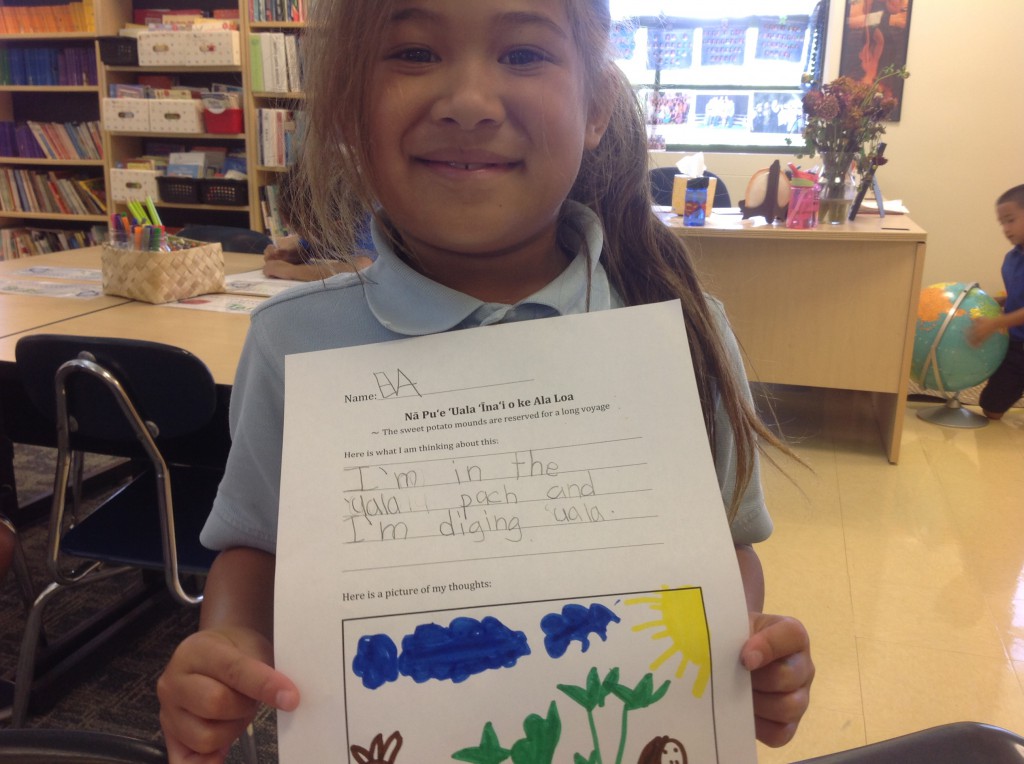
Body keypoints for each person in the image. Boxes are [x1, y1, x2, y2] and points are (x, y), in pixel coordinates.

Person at [156, 2, 814, 761]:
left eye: (524, 54)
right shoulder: (293, 340)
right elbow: (255, 548)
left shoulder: (684, 332)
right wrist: (230, 641)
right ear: (348, 106)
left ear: (596, 106)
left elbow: (729, 549)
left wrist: (741, 649)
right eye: (413, 52)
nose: (467, 103)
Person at [969, 184, 1024, 420]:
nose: (1006, 229)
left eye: (1011, 220)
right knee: (991, 408)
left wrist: (995, 323)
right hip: (1016, 344)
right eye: (1002, 223)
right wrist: (997, 301)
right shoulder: (1012, 258)